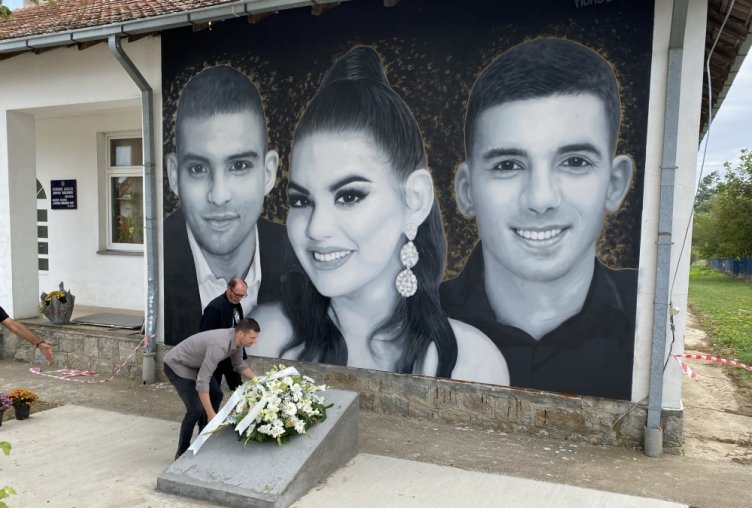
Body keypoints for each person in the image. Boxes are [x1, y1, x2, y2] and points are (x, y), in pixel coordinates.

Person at [251, 46, 508, 385]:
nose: (316, 228)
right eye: (301, 201)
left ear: (415, 200)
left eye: (349, 196)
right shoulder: (266, 340)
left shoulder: (471, 364)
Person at [440, 38, 637, 399]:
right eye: (508, 165)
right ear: (466, 190)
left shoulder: (650, 313)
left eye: (574, 162)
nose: (540, 199)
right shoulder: (417, 321)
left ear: (614, 184)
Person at [163, 65, 288, 345]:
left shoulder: (304, 260)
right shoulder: (156, 259)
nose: (219, 196)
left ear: (268, 173)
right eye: (198, 168)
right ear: (174, 175)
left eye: (239, 165)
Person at [163, 317, 260, 459]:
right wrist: (211, 414)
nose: (254, 341)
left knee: (217, 394)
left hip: (195, 364)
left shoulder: (237, 342)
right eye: (252, 337)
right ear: (240, 333)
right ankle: (181, 452)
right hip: (177, 364)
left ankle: (203, 435)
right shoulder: (219, 345)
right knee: (195, 409)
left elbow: (239, 365)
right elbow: (203, 381)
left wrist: (259, 381)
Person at [199, 278, 248, 392]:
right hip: (216, 358)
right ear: (228, 289)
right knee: (214, 392)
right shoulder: (215, 307)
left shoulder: (237, 305)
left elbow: (239, 328)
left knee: (238, 388)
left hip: (232, 355)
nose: (238, 298)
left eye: (242, 296)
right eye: (236, 294)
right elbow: (203, 334)